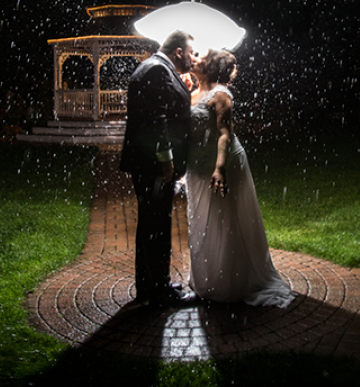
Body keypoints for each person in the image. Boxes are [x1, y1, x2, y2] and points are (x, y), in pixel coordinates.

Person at [185, 49, 295, 308]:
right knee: (203, 220)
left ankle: (232, 281)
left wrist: (219, 168)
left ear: (211, 68)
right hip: (198, 167)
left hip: (223, 163)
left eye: (200, 57)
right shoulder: (191, 92)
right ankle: (209, 277)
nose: (194, 59)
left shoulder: (221, 95)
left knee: (226, 222)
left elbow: (224, 134)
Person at [120, 30, 200, 307]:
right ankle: (158, 291)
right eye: (191, 52)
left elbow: (164, 108)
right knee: (157, 226)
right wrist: (166, 163)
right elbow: (158, 120)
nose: (193, 57)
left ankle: (150, 285)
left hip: (146, 162)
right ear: (179, 52)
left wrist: (183, 89)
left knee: (152, 225)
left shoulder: (155, 67)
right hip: (154, 164)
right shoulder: (157, 70)